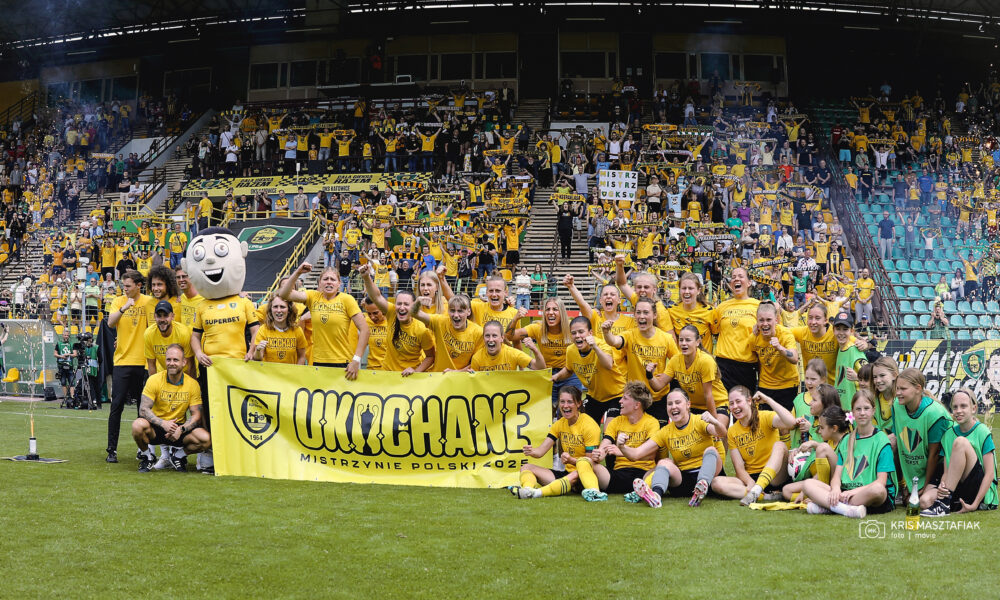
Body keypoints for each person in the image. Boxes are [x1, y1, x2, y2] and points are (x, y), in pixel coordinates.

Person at [800, 389, 897, 518]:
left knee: (878, 490)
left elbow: (881, 481)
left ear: (873, 410)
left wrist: (853, 492)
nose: (862, 413)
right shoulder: (846, 440)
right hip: (845, 493)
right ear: (853, 412)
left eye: (866, 408)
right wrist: (835, 489)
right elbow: (837, 476)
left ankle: (830, 507)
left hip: (868, 494)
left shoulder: (881, 440)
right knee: (808, 484)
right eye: (858, 409)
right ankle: (845, 509)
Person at [624, 389, 727, 508]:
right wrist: (622, 446)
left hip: (711, 476)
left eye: (678, 402)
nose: (673, 407)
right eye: (670, 404)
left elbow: (721, 433)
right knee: (663, 462)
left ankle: (701, 486)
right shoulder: (665, 431)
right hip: (684, 479)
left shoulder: (699, 420)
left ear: (688, 404)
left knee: (711, 450)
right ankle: (656, 496)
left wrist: (715, 422)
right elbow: (636, 454)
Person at [511, 386, 606, 501]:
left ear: (578, 404)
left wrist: (570, 460)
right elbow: (540, 451)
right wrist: (532, 451)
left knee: (576, 472)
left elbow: (589, 462)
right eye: (562, 401)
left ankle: (537, 493)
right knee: (526, 467)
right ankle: (527, 489)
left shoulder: (589, 425)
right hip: (567, 473)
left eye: (570, 402)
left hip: (585, 474)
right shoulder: (559, 424)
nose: (565, 406)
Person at [131, 344, 211, 473]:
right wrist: (163, 423)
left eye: (175, 360)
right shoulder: (154, 380)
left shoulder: (192, 384)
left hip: (179, 428)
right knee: (137, 425)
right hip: (157, 427)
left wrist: (181, 429)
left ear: (184, 362)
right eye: (168, 360)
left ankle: (178, 455)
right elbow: (143, 409)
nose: (171, 363)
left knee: (205, 439)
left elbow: (196, 414)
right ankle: (147, 457)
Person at [712, 387, 799, 505]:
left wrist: (768, 400)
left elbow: (791, 423)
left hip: (775, 476)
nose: (735, 406)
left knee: (780, 445)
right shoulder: (732, 431)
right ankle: (765, 496)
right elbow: (739, 468)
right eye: (731, 403)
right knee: (716, 483)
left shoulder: (765, 416)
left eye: (738, 401)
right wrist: (750, 483)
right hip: (752, 477)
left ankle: (757, 489)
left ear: (749, 401)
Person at [279, 262, 368, 376]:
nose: (329, 282)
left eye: (333, 279)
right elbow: (284, 294)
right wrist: (298, 272)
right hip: (318, 361)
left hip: (342, 362)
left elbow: (365, 330)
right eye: (325, 279)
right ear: (320, 282)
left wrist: (356, 360)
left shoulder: (347, 299)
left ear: (339, 283)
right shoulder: (313, 297)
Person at [920, 388, 997, 516]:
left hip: (978, 490)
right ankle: (945, 503)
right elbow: (947, 472)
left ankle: (944, 504)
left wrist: (974, 505)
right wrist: (942, 486)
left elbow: (990, 474)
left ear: (973, 408)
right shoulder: (948, 434)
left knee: (960, 442)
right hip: (957, 487)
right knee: (924, 501)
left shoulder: (983, 431)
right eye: (955, 407)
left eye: (963, 406)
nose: (958, 411)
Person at [105, 269, 155, 463]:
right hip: (122, 362)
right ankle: (111, 450)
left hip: (144, 362)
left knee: (143, 409)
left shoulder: (149, 301)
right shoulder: (118, 301)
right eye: (123, 286)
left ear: (138, 285)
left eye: (128, 286)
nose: (124, 289)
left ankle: (143, 450)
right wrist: (124, 307)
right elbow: (110, 323)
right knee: (116, 406)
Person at [602, 297, 679, 421]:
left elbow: (678, 363)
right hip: (635, 399)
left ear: (654, 315)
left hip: (658, 399)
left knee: (657, 433)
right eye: (638, 312)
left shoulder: (666, 338)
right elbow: (614, 341)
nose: (641, 316)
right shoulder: (630, 335)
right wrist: (606, 332)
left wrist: (666, 377)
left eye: (646, 312)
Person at [891, 368, 953, 507]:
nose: (898, 393)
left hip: (942, 467)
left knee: (922, 502)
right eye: (897, 388)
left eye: (903, 389)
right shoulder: (896, 405)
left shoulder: (934, 414)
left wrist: (924, 487)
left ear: (918, 388)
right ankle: (897, 488)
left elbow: (934, 455)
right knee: (890, 442)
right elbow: (901, 444)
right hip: (921, 466)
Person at [648, 325, 729, 429]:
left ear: (698, 342)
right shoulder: (675, 360)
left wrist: (714, 423)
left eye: (688, 340)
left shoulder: (705, 361)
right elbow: (658, 386)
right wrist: (649, 375)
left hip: (717, 404)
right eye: (681, 340)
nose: (683, 343)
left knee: (717, 431)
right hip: (693, 407)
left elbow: (708, 395)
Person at [361, 266, 435, 375]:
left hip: (408, 377)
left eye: (406, 304)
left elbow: (430, 356)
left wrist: (416, 371)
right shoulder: (392, 313)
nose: (401, 307)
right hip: (388, 374)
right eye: (399, 303)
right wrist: (366, 277)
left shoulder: (422, 329)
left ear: (414, 307)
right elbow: (376, 297)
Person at [590, 382, 661, 494]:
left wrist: (621, 451)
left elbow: (650, 455)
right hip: (619, 474)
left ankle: (642, 491)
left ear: (637, 405)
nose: (620, 401)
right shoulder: (616, 422)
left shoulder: (652, 423)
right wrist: (599, 454)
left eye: (625, 398)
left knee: (664, 466)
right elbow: (606, 442)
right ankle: (593, 492)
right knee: (586, 462)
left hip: (644, 474)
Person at [553, 316, 626, 424]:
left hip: (616, 395)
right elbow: (569, 370)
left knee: (609, 429)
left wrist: (595, 347)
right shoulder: (571, 350)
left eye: (581, 332)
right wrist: (556, 377)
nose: (577, 336)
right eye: (573, 333)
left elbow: (608, 365)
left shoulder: (602, 345)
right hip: (594, 396)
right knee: (582, 425)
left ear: (590, 333)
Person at [509, 297, 575, 404]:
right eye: (547, 309)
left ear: (562, 312)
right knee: (547, 410)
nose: (550, 312)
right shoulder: (538, 328)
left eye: (555, 309)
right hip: (547, 374)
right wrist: (516, 318)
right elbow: (510, 336)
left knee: (571, 408)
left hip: (569, 373)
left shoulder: (571, 327)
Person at [783, 404, 849, 500]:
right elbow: (822, 472)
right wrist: (797, 451)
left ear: (834, 428)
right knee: (786, 490)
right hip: (825, 482)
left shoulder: (847, 441)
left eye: (822, 427)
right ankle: (812, 497)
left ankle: (818, 496)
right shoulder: (830, 441)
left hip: (838, 485)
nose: (819, 431)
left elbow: (842, 471)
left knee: (822, 447)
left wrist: (815, 444)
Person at [711, 268, 760, 392]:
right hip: (723, 365)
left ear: (749, 282)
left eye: (740, 276)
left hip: (747, 365)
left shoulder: (758, 305)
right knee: (723, 402)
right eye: (733, 277)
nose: (736, 279)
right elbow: (715, 333)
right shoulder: (721, 307)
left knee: (744, 402)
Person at [412, 293, 482, 372]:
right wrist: (417, 302)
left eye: (460, 311)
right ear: (448, 310)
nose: (456, 315)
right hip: (439, 376)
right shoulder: (440, 322)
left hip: (462, 377)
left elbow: (478, 362)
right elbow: (414, 313)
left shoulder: (478, 332)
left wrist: (457, 372)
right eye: (452, 310)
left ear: (468, 312)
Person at [750, 302, 799, 411]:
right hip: (765, 385)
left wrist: (779, 347)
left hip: (787, 385)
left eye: (769, 320)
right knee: (765, 419)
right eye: (761, 320)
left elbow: (795, 358)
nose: (765, 324)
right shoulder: (753, 338)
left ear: (776, 320)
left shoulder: (785, 334)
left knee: (786, 421)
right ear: (757, 321)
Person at [248, 295, 308, 365]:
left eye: (282, 307)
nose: (279, 310)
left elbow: (302, 357)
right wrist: (258, 350)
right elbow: (258, 358)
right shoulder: (263, 329)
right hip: (269, 372)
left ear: (289, 310)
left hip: (290, 372)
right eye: (275, 307)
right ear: (271, 309)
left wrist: (296, 371)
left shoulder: (297, 330)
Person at [791, 302, 840, 385]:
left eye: (817, 318)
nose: (813, 322)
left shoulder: (835, 333)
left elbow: (851, 340)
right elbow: (783, 332)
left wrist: (862, 342)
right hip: (810, 386)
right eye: (810, 318)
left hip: (831, 388)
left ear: (825, 320)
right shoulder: (802, 332)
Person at [144, 300, 194, 376]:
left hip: (184, 373)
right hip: (164, 372)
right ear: (154, 317)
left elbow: (190, 364)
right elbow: (151, 364)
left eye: (166, 316)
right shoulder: (149, 334)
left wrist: (188, 382)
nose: (162, 320)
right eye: (159, 316)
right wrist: (153, 382)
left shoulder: (183, 333)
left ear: (172, 316)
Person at [470, 320, 544, 371]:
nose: (491, 339)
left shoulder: (512, 353)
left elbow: (540, 367)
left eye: (494, 336)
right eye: (487, 336)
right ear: (483, 338)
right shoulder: (477, 358)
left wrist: (535, 350)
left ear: (502, 338)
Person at [667, 272, 714, 351]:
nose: (687, 291)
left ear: (698, 291)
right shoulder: (671, 311)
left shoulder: (710, 311)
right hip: (681, 358)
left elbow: (718, 336)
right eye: (684, 288)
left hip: (704, 358)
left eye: (690, 288)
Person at [870, 356, 898, 433]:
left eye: (882, 375)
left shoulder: (901, 400)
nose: (878, 380)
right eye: (875, 377)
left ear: (894, 375)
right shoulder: (873, 400)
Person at [55, 330, 77, 407]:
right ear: (62, 335)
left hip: (70, 366)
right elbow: (55, 354)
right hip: (61, 366)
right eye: (65, 335)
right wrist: (61, 356)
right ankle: (65, 398)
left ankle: (72, 398)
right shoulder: (58, 343)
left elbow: (75, 354)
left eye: (67, 335)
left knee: (72, 382)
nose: (66, 336)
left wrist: (69, 354)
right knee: (63, 382)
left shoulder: (72, 344)